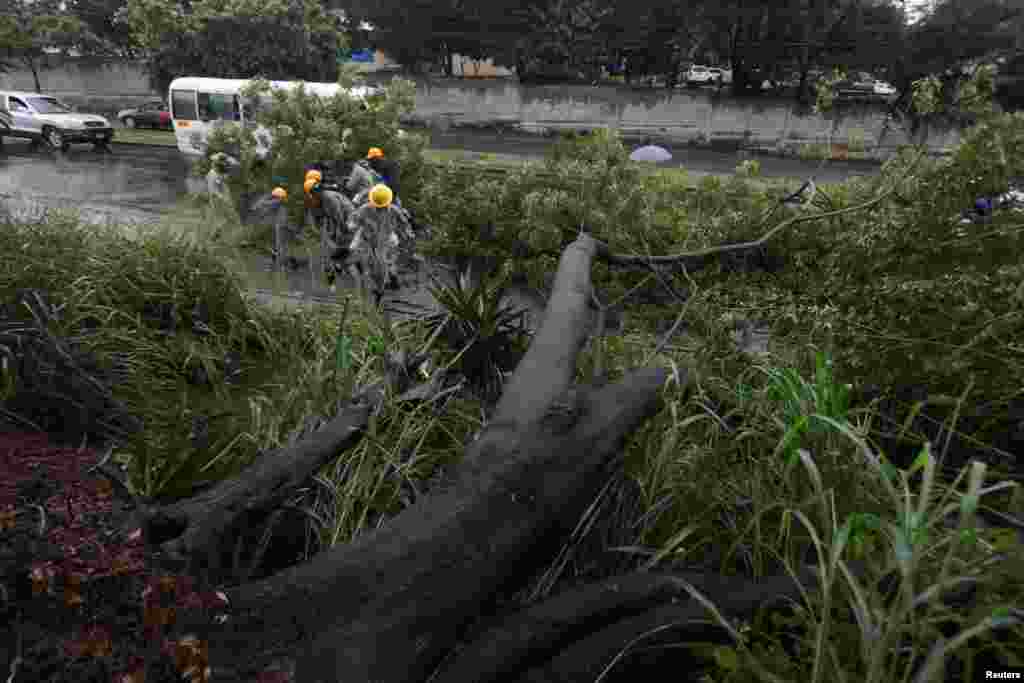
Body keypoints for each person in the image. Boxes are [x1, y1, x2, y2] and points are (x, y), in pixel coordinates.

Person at [346, 183, 415, 303]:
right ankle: (361, 273)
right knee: (353, 251)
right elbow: (353, 219)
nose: (380, 208)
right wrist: (352, 225)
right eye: (377, 205)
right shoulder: (365, 208)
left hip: (386, 238)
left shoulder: (394, 210)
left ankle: (382, 286)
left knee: (383, 264)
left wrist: (408, 234)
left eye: (382, 206)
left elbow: (404, 224)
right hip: (365, 237)